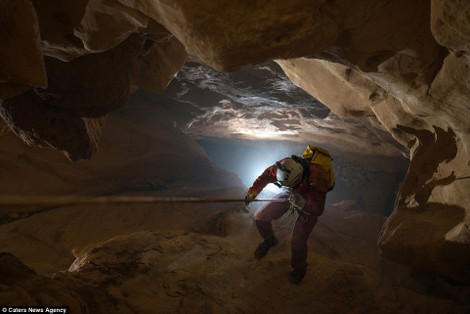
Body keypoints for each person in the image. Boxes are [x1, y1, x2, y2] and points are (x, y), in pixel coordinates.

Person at [244, 155, 328, 284]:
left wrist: (303, 204)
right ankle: (269, 239)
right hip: (292, 192)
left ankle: (299, 268)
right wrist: (253, 192)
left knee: (298, 240)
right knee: (260, 216)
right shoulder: (283, 168)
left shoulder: (317, 178)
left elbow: (317, 209)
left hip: (309, 200)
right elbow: (266, 176)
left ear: (299, 177)